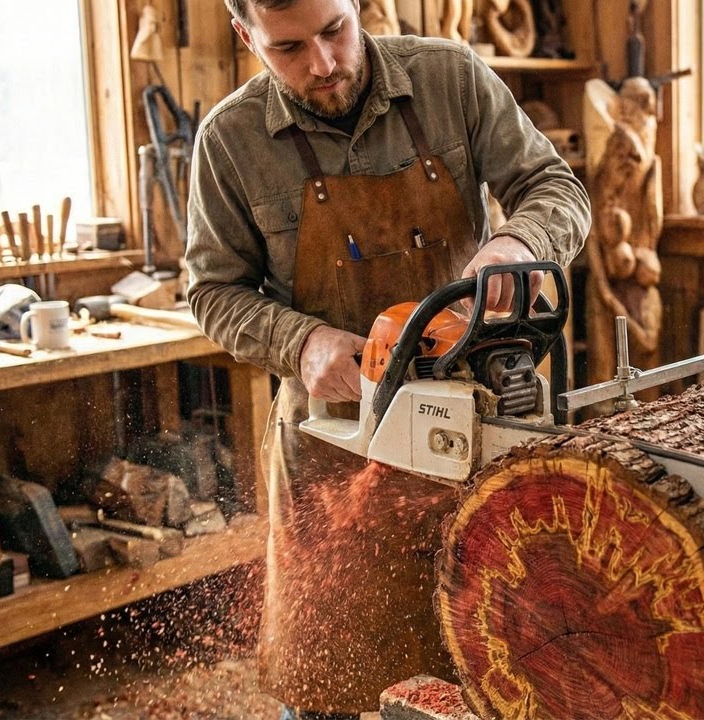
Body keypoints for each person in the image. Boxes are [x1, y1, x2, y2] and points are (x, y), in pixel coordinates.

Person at [184, 0, 590, 715]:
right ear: (246, 36)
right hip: (336, 440)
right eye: (288, 49)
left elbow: (554, 187)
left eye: (336, 30)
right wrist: (299, 342)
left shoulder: (449, 79)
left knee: (492, 665)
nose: (324, 63)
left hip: (477, 423)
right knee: (328, 681)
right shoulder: (230, 141)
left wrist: (516, 246)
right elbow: (214, 292)